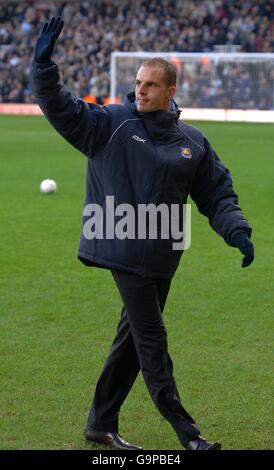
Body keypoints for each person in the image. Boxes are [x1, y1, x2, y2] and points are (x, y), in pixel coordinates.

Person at [30, 17, 254, 451]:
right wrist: (44, 70)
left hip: (163, 256)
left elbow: (217, 194)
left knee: (131, 343)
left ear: (171, 91)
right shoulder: (108, 123)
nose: (140, 90)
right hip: (122, 250)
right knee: (152, 343)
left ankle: (99, 424)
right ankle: (188, 434)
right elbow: (62, 107)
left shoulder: (192, 140)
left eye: (151, 85)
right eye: (138, 83)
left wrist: (236, 230)